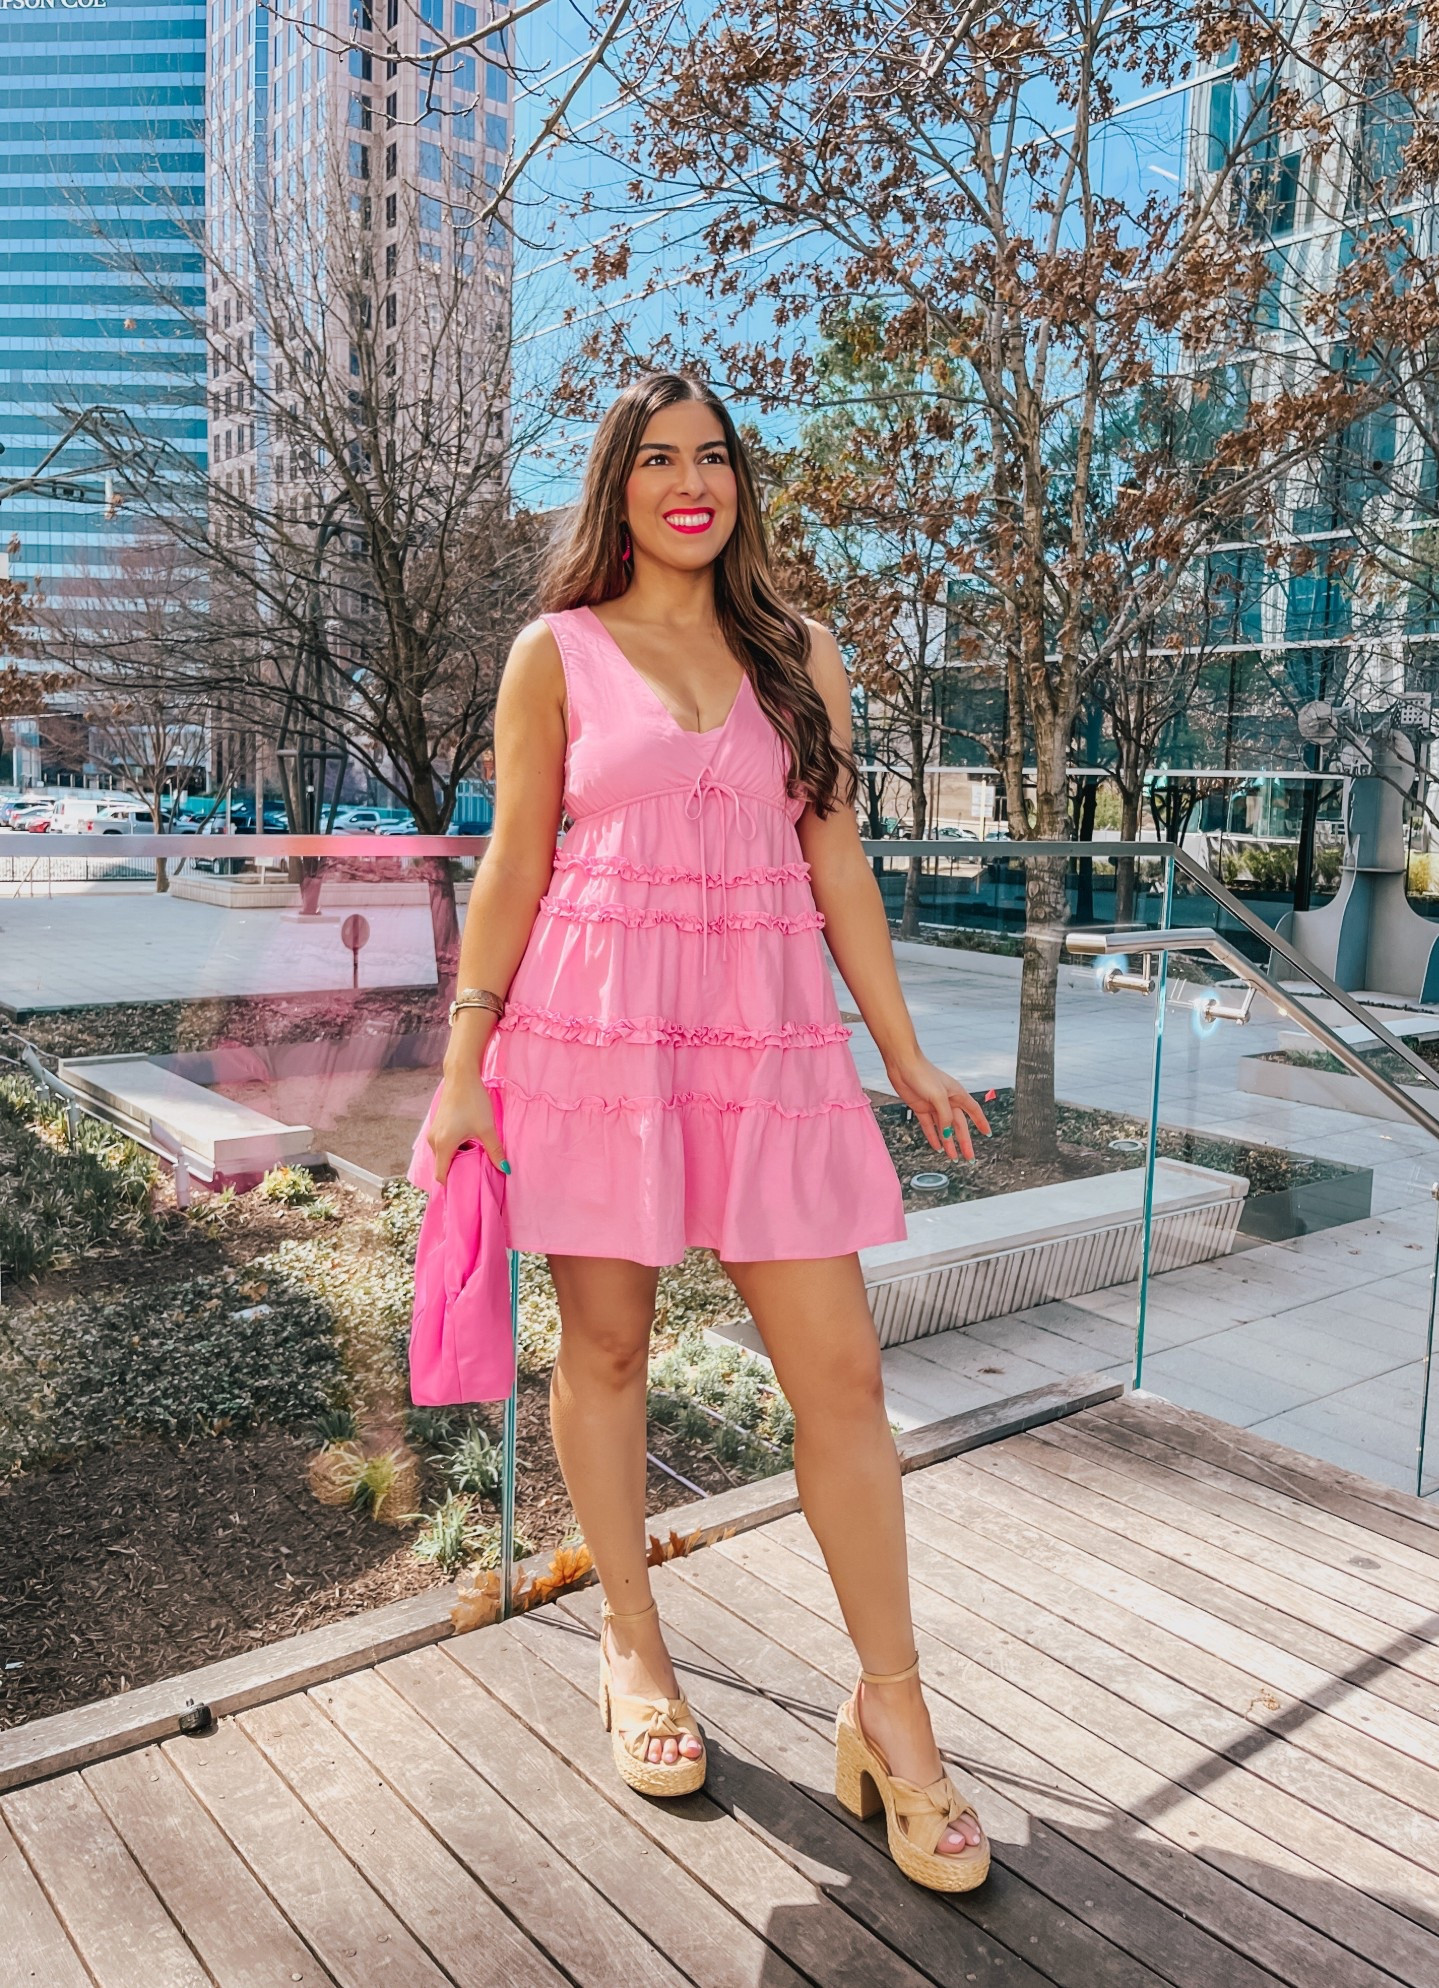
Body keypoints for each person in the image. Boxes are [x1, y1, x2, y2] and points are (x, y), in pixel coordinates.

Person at [429, 370, 992, 1892]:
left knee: (846, 1378)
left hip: (768, 1047)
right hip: (593, 1042)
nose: (693, 482)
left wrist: (907, 1053)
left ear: (742, 484)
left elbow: (842, 866)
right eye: (659, 459)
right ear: (615, 486)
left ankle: (895, 1714)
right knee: (607, 1351)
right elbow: (514, 866)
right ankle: (633, 1647)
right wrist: (461, 1064)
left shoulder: (801, 653)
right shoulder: (554, 654)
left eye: (716, 458)